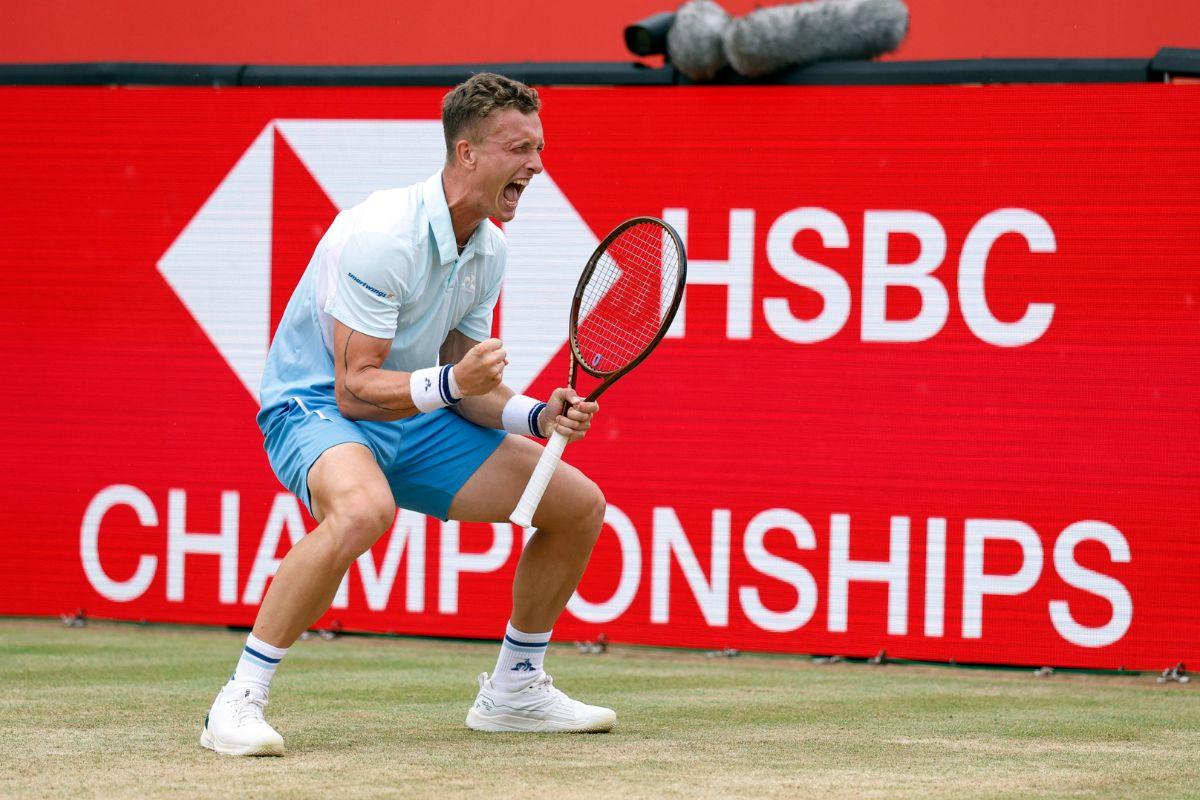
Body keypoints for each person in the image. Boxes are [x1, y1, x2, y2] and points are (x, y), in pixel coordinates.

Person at [201, 73, 614, 756]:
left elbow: (467, 389)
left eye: (540, 148)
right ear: (467, 154)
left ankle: (515, 689)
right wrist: (453, 380)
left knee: (578, 505)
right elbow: (355, 389)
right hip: (315, 406)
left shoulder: (488, 249)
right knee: (363, 511)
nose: (536, 165)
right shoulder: (383, 234)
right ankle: (237, 701)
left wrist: (539, 415)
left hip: (408, 414)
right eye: (520, 148)